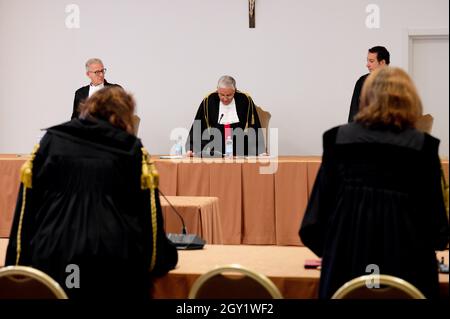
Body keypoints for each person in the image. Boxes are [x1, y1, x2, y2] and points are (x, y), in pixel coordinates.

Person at [6, 86, 178, 299]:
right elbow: (148, 220)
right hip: (113, 265)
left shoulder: (51, 141)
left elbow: (26, 212)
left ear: (88, 108)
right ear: (123, 116)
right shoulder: (131, 149)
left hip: (53, 260)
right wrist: (162, 258)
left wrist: (16, 266)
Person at [300, 67, 449, 299]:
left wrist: (336, 252)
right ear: (410, 101)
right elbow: (438, 230)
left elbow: (313, 223)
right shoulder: (423, 148)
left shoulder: (337, 140)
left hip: (346, 271)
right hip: (409, 274)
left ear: (365, 98)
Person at [186, 75, 265, 157]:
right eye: (222, 95)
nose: (225, 99)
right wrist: (191, 148)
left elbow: (254, 125)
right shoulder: (209, 100)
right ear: (217, 90)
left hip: (240, 146)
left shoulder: (245, 100)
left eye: (229, 95)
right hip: (214, 147)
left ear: (235, 90)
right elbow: (198, 124)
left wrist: (259, 149)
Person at [348, 46, 390, 122]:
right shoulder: (362, 81)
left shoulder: (396, 82)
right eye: (367, 61)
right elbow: (354, 111)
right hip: (365, 130)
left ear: (382, 62)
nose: (367, 65)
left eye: (371, 61)